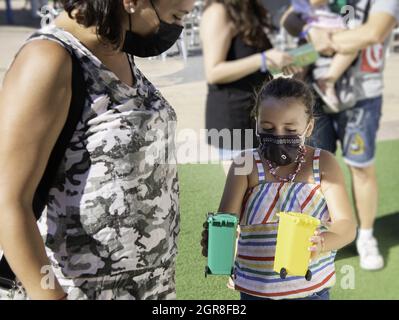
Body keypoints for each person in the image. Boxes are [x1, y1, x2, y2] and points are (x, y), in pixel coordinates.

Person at [0, 0, 194, 300]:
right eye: (175, 16)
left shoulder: (117, 48)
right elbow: (9, 203)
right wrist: (49, 295)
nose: (176, 28)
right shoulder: (48, 58)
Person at [201, 77, 357, 300]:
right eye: (268, 127)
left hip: (311, 291)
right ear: (257, 123)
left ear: (309, 126)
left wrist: (322, 242)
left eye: (290, 129)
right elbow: (227, 222)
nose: (279, 136)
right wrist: (216, 241)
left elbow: (347, 225)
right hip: (255, 291)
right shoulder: (244, 165)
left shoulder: (323, 164)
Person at [284, 0, 399, 271]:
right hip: (313, 93)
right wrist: (311, 32)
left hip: (362, 96)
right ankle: (318, 237)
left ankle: (366, 236)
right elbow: (290, 19)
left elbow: (373, 32)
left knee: (360, 168)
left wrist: (323, 39)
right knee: (314, 168)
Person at [200, 0, 301, 174]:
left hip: (258, 118)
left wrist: (279, 62)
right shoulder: (218, 11)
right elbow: (213, 72)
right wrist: (262, 59)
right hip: (233, 121)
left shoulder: (249, 10)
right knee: (242, 196)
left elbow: (252, 61)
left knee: (262, 195)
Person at [289, 0, 359, 111]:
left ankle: (327, 82)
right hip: (314, 25)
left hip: (334, 23)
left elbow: (347, 11)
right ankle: (293, 92)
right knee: (300, 70)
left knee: (352, 47)